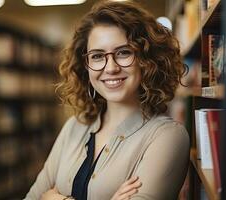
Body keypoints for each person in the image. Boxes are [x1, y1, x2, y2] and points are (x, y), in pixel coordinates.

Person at [24, 1, 190, 200]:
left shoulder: (167, 136)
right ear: (85, 65)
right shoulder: (74, 127)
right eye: (97, 56)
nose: (110, 68)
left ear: (147, 60)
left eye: (123, 52)